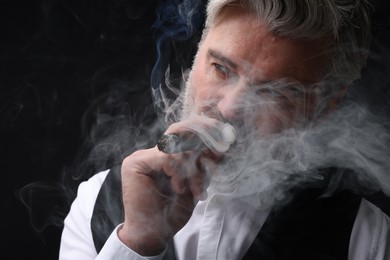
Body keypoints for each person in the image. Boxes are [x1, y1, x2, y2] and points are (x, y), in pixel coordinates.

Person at [59, 0, 390, 259]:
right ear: (196, 59)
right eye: (220, 68)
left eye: (274, 92)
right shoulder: (96, 202)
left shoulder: (365, 238)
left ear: (324, 106)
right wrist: (136, 244)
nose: (231, 108)